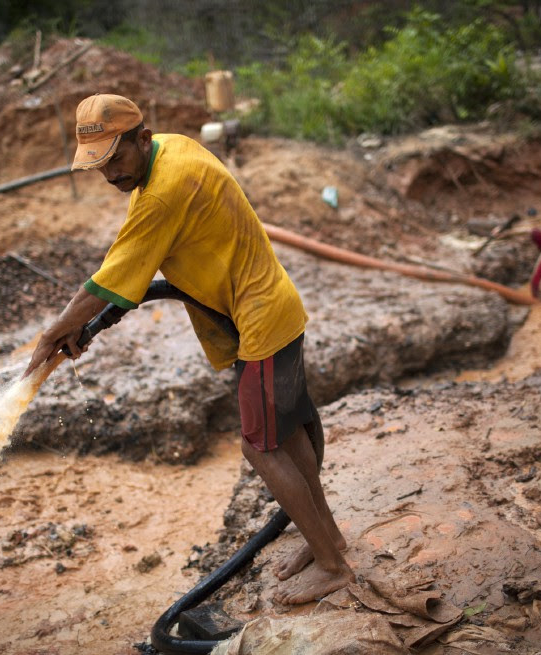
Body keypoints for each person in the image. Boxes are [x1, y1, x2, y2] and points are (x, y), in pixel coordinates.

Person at [23, 93, 353, 605]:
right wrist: (91, 321)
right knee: (286, 435)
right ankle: (327, 540)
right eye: (99, 166)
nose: (109, 174)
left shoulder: (162, 192)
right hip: (266, 310)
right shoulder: (172, 150)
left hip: (260, 320)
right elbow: (133, 268)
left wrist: (53, 333)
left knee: (259, 446)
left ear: (142, 138)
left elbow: (114, 274)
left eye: (116, 159)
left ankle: (333, 565)